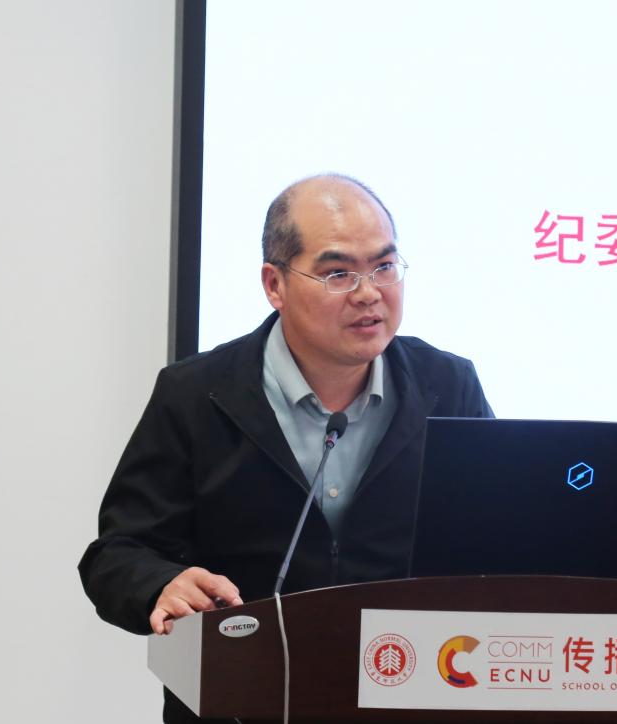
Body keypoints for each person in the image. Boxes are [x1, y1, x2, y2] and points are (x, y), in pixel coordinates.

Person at [78, 174, 493, 721]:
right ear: (275, 285)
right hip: (242, 700)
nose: (369, 293)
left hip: (409, 693)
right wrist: (161, 584)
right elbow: (117, 554)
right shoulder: (197, 394)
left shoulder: (448, 387)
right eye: (338, 273)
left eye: (384, 267)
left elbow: (495, 544)